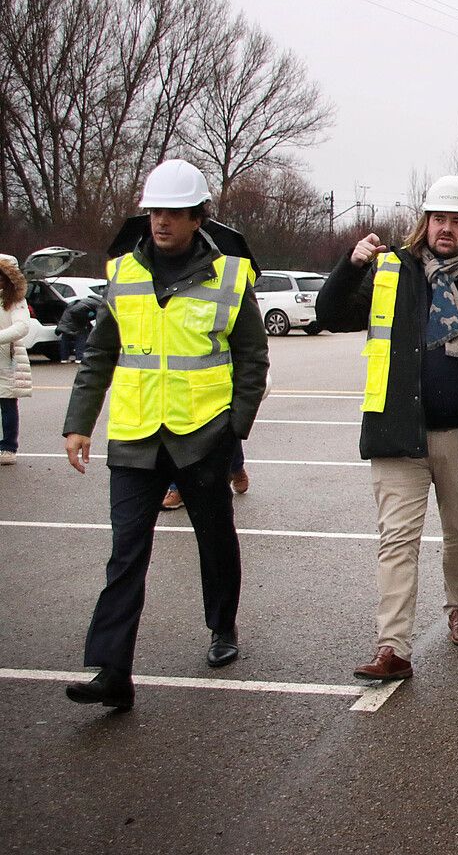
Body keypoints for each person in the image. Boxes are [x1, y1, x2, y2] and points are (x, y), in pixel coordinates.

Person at [62, 160, 269, 710]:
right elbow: (100, 353)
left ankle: (222, 626)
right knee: (125, 554)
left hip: (203, 434)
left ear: (199, 217)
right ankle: (112, 671)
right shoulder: (124, 275)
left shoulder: (229, 276)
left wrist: (235, 427)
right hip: (134, 437)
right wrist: (79, 422)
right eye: (155, 211)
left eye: (174, 212)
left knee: (215, 540)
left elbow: (252, 357)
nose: (161, 222)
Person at [316, 175, 458, 682]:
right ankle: (393, 645)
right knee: (397, 540)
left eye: (457, 220)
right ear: (425, 223)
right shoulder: (394, 271)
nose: (446, 229)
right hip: (399, 432)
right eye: (439, 218)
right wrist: (350, 266)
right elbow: (332, 314)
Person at [0, 254, 33, 466]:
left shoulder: (15, 300)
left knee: (7, 402)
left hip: (7, 358)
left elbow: (22, 326)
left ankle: (8, 447)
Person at [57, 290, 104, 364]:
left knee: (66, 338)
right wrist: (85, 320)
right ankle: (79, 357)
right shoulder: (99, 304)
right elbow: (79, 312)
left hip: (65, 320)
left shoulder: (87, 301)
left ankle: (64, 358)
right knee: (81, 337)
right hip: (75, 321)